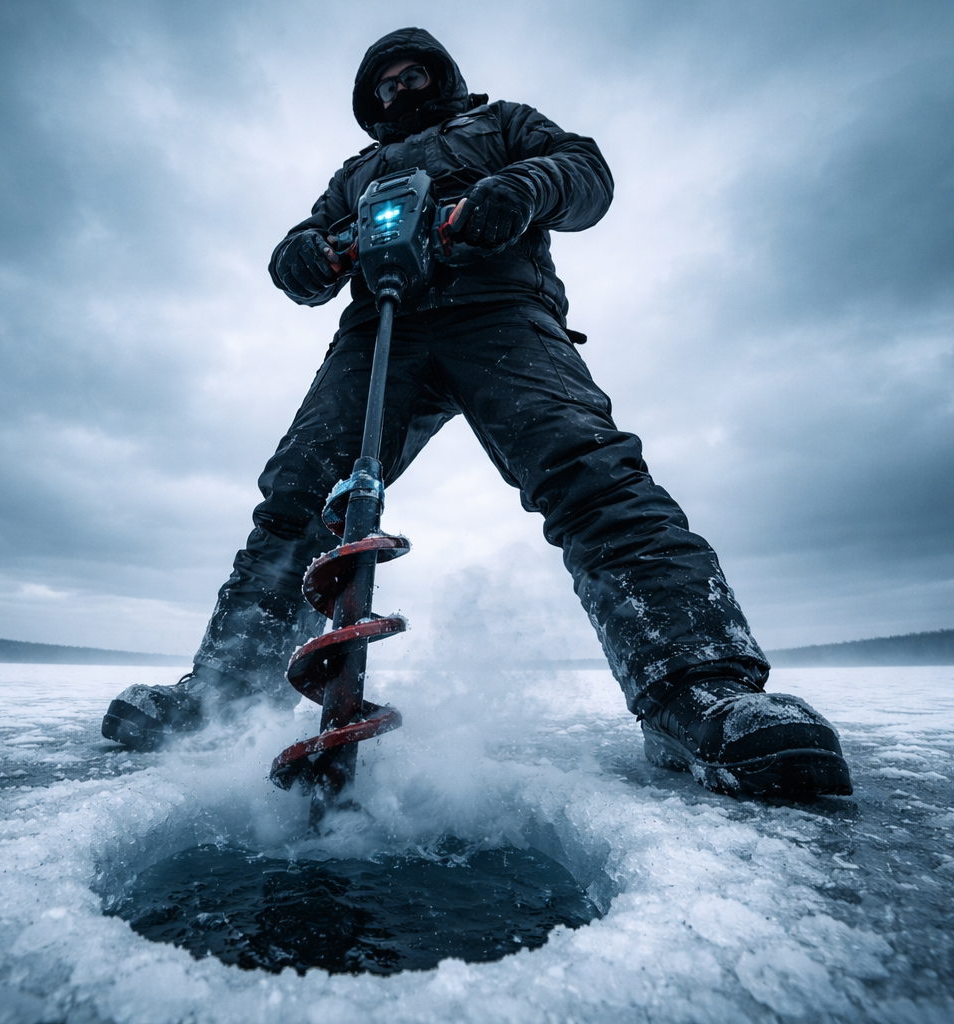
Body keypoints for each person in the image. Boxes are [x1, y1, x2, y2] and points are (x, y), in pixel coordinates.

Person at [102, 28, 853, 798]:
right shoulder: (356, 174)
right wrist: (302, 254)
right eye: (384, 84)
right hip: (377, 335)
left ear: (443, 76)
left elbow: (583, 170)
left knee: (590, 473)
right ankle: (220, 698)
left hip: (501, 314)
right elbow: (302, 250)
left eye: (412, 75)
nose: (399, 90)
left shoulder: (502, 125)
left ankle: (699, 689)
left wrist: (518, 191)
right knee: (299, 501)